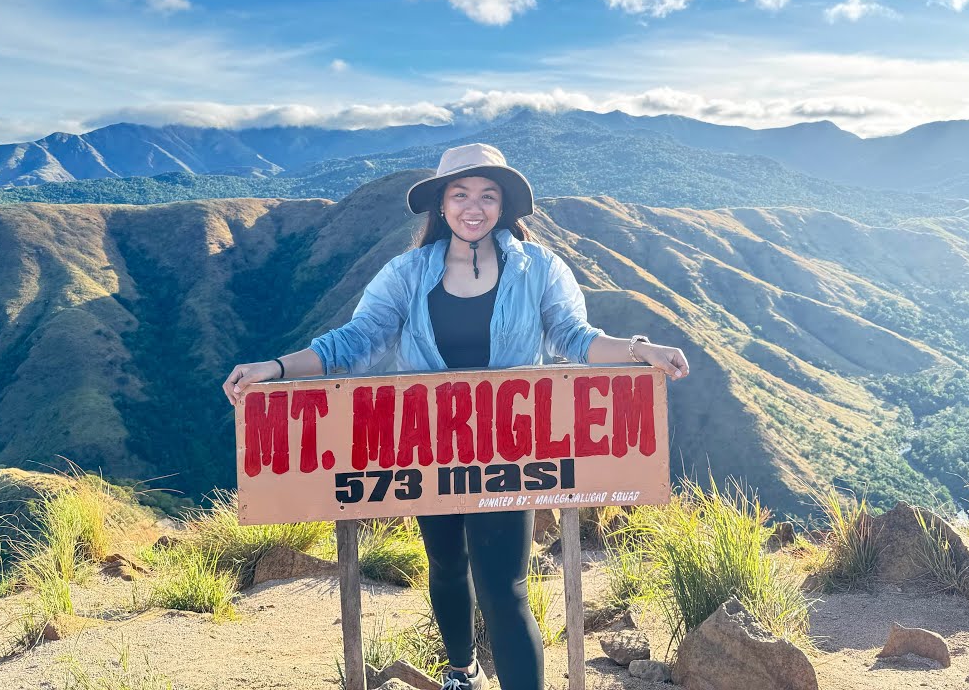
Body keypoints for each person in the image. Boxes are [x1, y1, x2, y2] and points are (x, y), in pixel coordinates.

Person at [221, 143, 690, 690]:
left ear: (503, 205)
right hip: (430, 448)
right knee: (445, 564)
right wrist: (277, 368)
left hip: (510, 450)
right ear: (441, 205)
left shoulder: (538, 268)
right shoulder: (407, 273)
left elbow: (574, 338)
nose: (474, 207)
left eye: (488, 195)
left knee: (504, 587)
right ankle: (461, 671)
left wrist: (639, 350)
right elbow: (355, 341)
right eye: (460, 194)